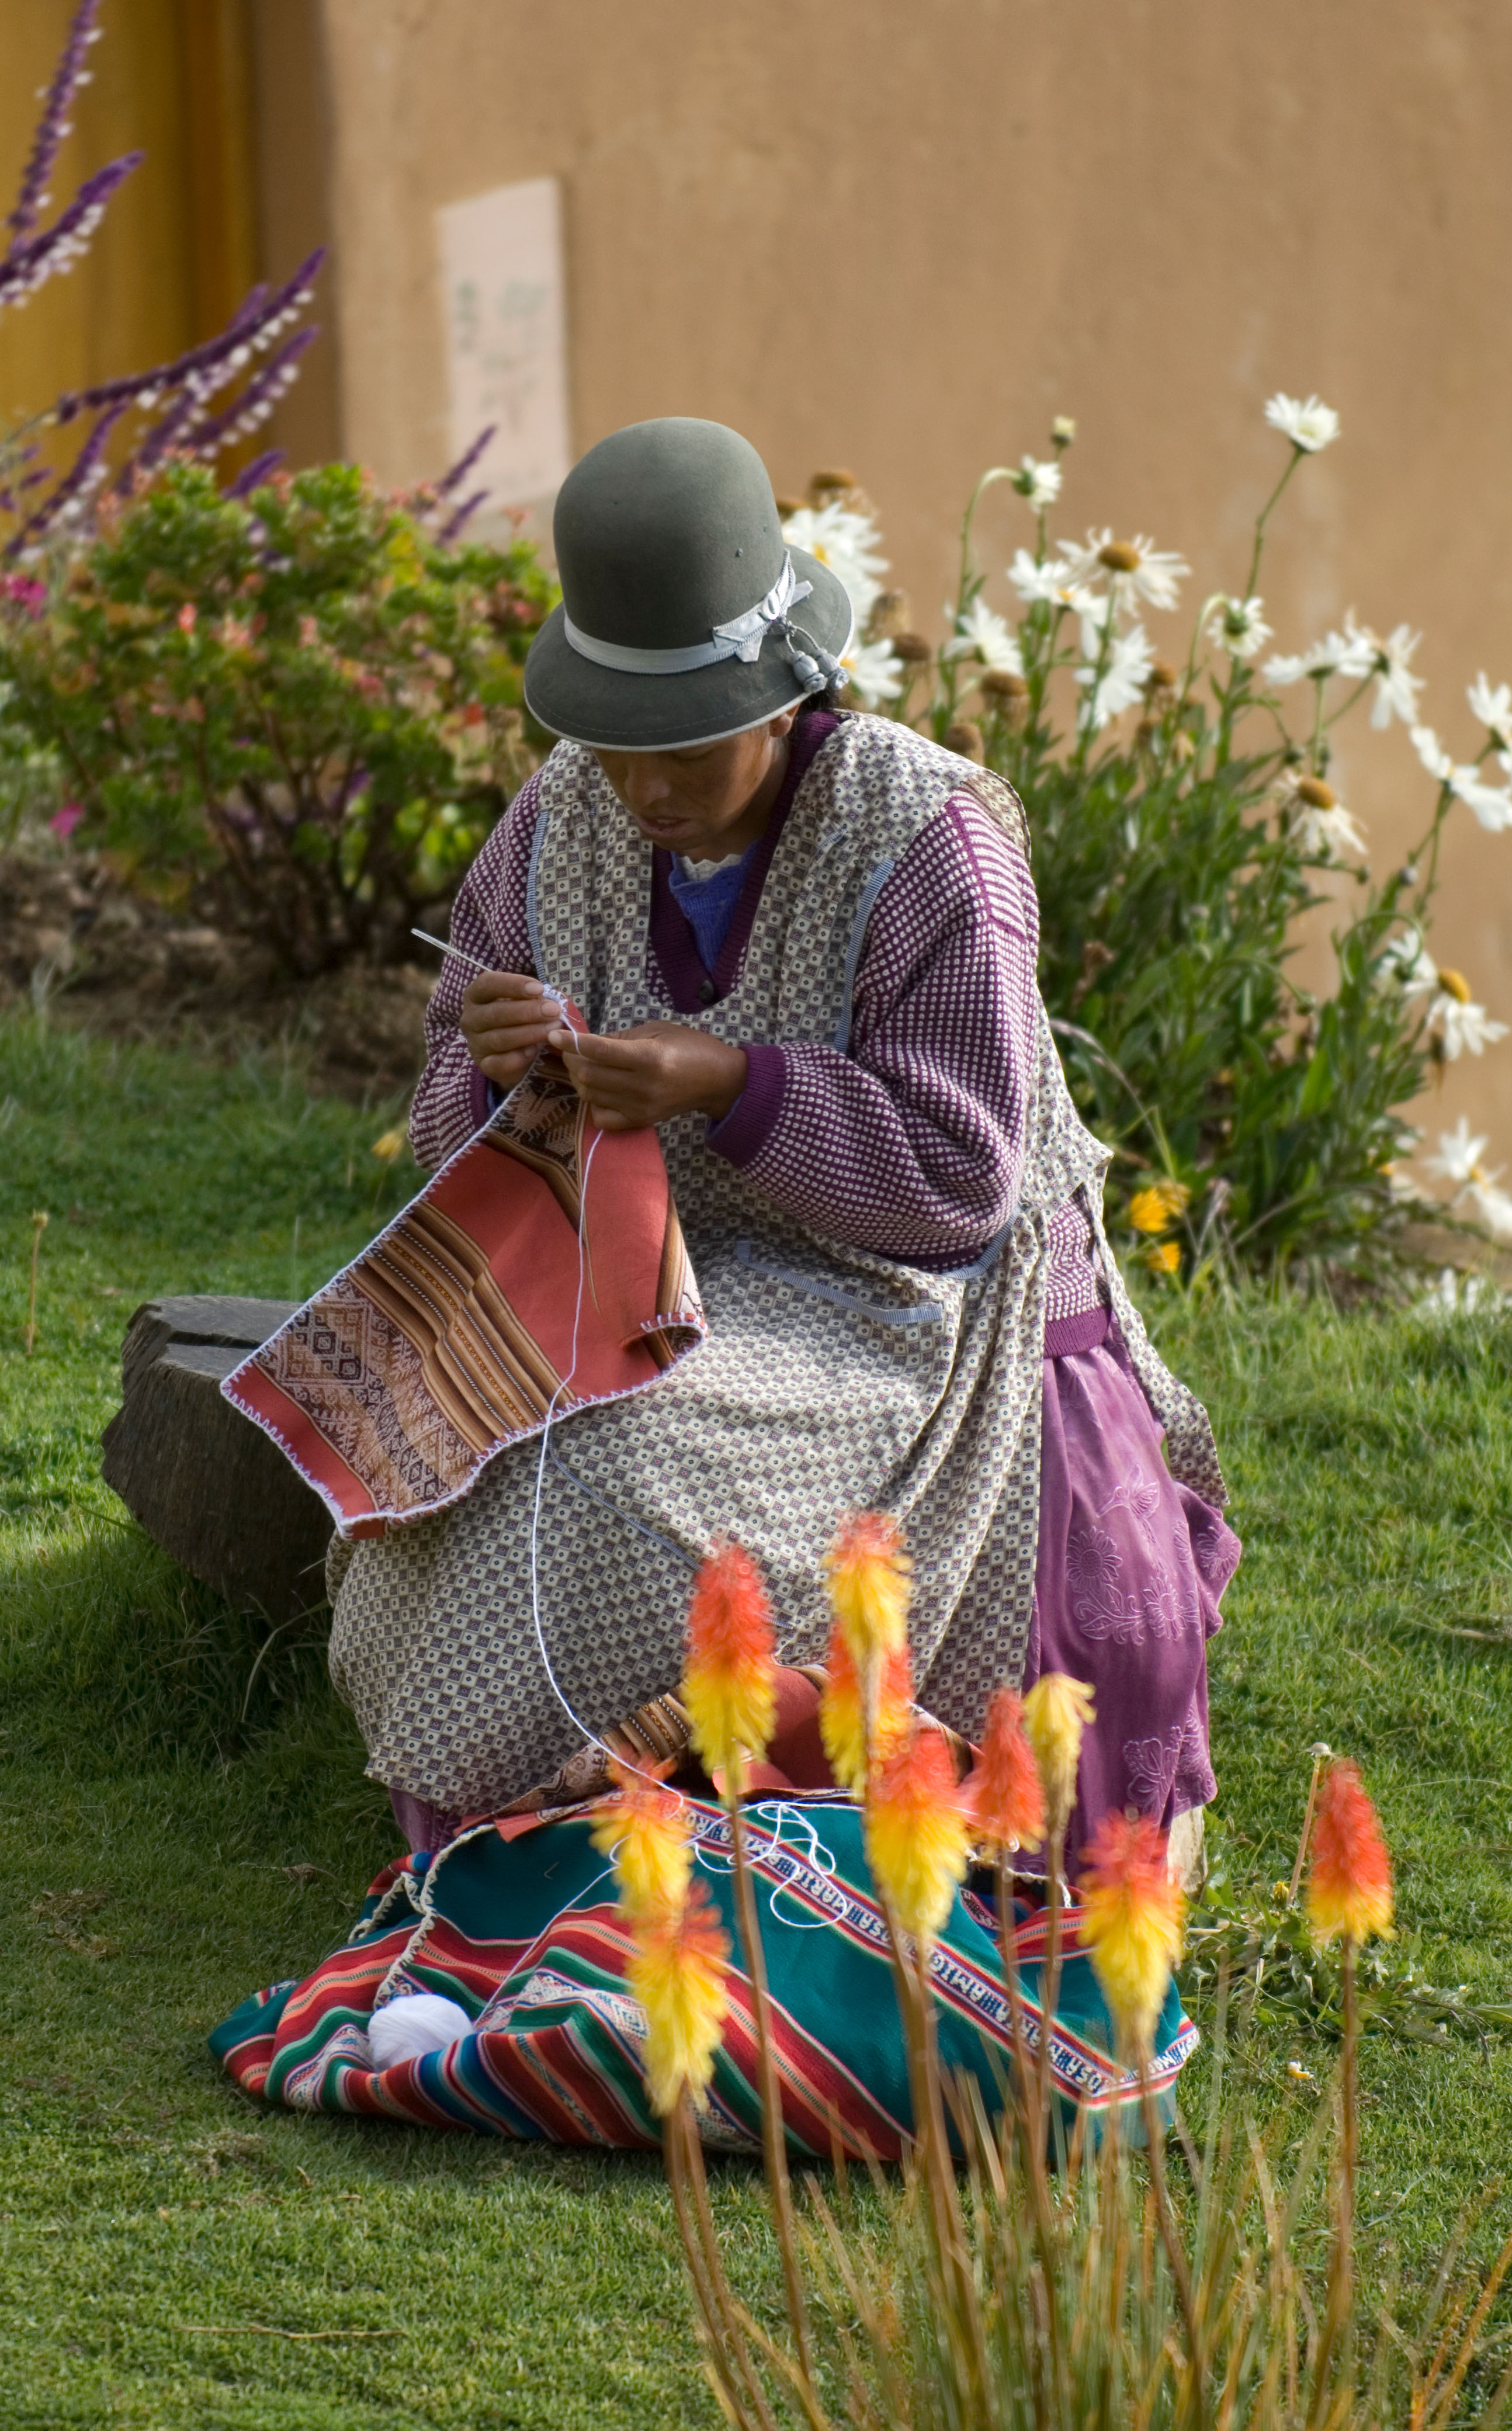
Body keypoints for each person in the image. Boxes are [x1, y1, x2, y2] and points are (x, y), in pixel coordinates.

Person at [325, 415, 1239, 1872]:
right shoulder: (562, 822)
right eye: (617, 746)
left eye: (687, 743)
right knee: (464, 1442)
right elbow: (453, 1115)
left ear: (787, 689)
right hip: (650, 1275)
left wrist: (729, 1082)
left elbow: (957, 1184)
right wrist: (494, 1073)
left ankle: (703, 1794)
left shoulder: (928, 835)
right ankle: (509, 1835)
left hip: (906, 1297)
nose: (647, 792)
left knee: (620, 1476)